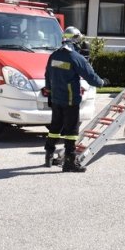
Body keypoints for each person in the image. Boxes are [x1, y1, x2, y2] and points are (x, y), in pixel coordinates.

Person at [42, 27, 105, 172]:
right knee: (71, 130)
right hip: (70, 100)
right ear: (75, 39)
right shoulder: (75, 57)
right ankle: (70, 162)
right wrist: (101, 82)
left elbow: (48, 75)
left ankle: (49, 155)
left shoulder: (54, 55)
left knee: (55, 128)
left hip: (56, 99)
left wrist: (50, 92)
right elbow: (90, 76)